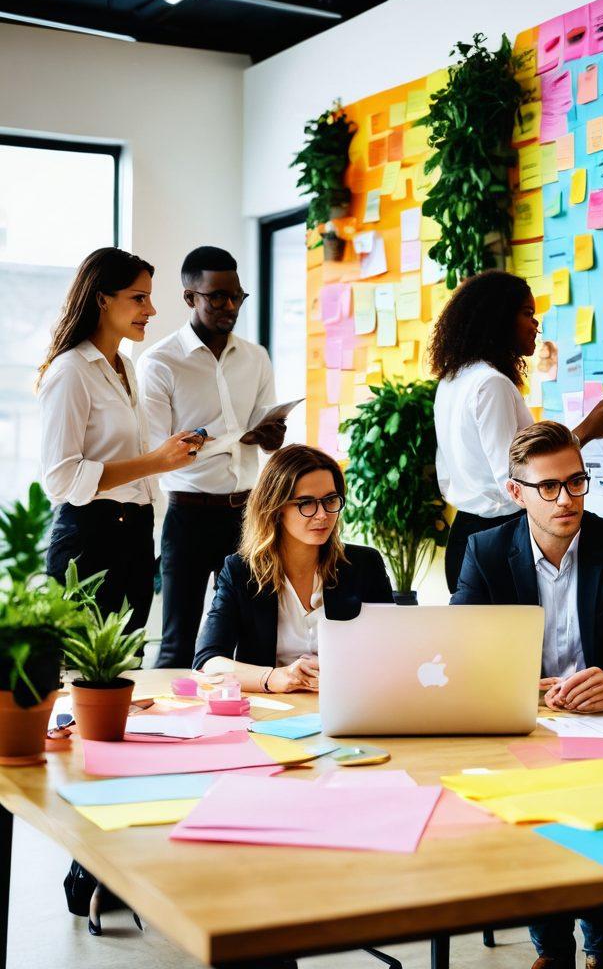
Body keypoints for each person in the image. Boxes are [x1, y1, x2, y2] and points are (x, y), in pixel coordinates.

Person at [452, 420, 603, 969]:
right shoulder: (485, 552)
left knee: (589, 805)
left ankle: (602, 956)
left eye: (576, 482)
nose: (566, 499)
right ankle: (557, 954)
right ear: (517, 493)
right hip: (522, 725)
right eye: (549, 487)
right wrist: (513, 683)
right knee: (543, 805)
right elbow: (457, 656)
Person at [39, 247, 206, 633]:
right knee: (83, 679)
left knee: (125, 673)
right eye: (138, 298)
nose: (151, 310)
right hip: (89, 540)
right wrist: (156, 462)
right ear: (102, 299)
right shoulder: (70, 371)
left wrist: (169, 455)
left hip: (134, 532)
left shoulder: (125, 366)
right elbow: (61, 479)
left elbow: (123, 455)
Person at [429, 270, 603, 593]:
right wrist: (587, 429)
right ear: (499, 318)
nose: (536, 325)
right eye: (527, 314)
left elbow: (449, 475)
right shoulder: (491, 384)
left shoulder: (452, 381)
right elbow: (515, 481)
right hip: (498, 539)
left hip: (464, 532)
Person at [139, 245, 285, 669]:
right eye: (217, 296)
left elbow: (267, 438)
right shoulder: (160, 364)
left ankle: (249, 726)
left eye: (237, 295)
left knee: (255, 635)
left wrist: (271, 436)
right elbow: (157, 452)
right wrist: (235, 437)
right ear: (190, 298)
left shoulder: (256, 357)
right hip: (188, 516)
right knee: (178, 642)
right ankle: (170, 727)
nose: (230, 305)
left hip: (247, 514)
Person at [193, 444, 393, 692]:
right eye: (306, 503)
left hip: (350, 699)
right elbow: (208, 662)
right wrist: (273, 677)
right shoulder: (241, 571)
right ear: (276, 509)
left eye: (330, 500)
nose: (322, 514)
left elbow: (390, 648)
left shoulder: (364, 564)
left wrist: (339, 666)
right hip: (275, 710)